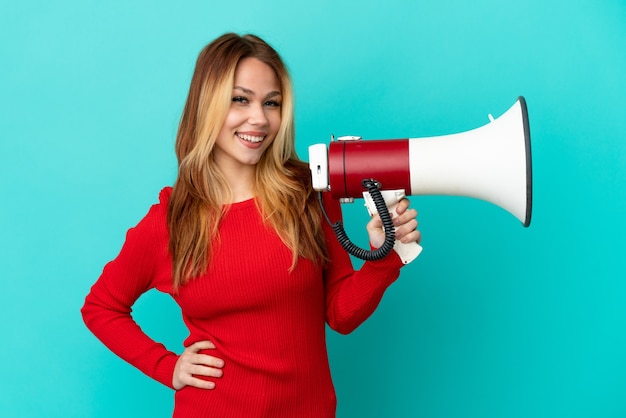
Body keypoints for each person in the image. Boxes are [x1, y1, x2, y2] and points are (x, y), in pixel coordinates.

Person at [81, 32, 421, 418]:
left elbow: (340, 316)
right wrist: (167, 366)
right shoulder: (170, 221)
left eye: (271, 103)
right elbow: (101, 307)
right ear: (207, 105)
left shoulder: (309, 192)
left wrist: (385, 255)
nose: (259, 118)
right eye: (240, 99)